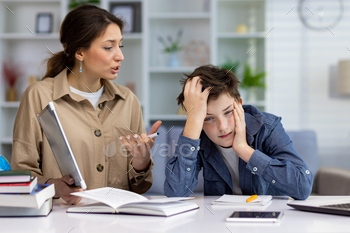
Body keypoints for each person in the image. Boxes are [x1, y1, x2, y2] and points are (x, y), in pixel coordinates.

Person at [11, 5, 161, 205]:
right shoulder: (38, 96)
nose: (120, 56)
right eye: (109, 47)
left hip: (118, 221)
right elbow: (21, 174)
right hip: (60, 220)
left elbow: (139, 188)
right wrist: (54, 186)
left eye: (120, 46)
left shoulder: (128, 101)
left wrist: (141, 163)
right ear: (80, 52)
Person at [164, 65, 313, 200]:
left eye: (228, 112)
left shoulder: (267, 127)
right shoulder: (195, 134)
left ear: (239, 104)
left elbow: (303, 187)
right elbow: (175, 193)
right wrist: (194, 119)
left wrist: (244, 149)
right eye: (208, 118)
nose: (222, 127)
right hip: (218, 222)